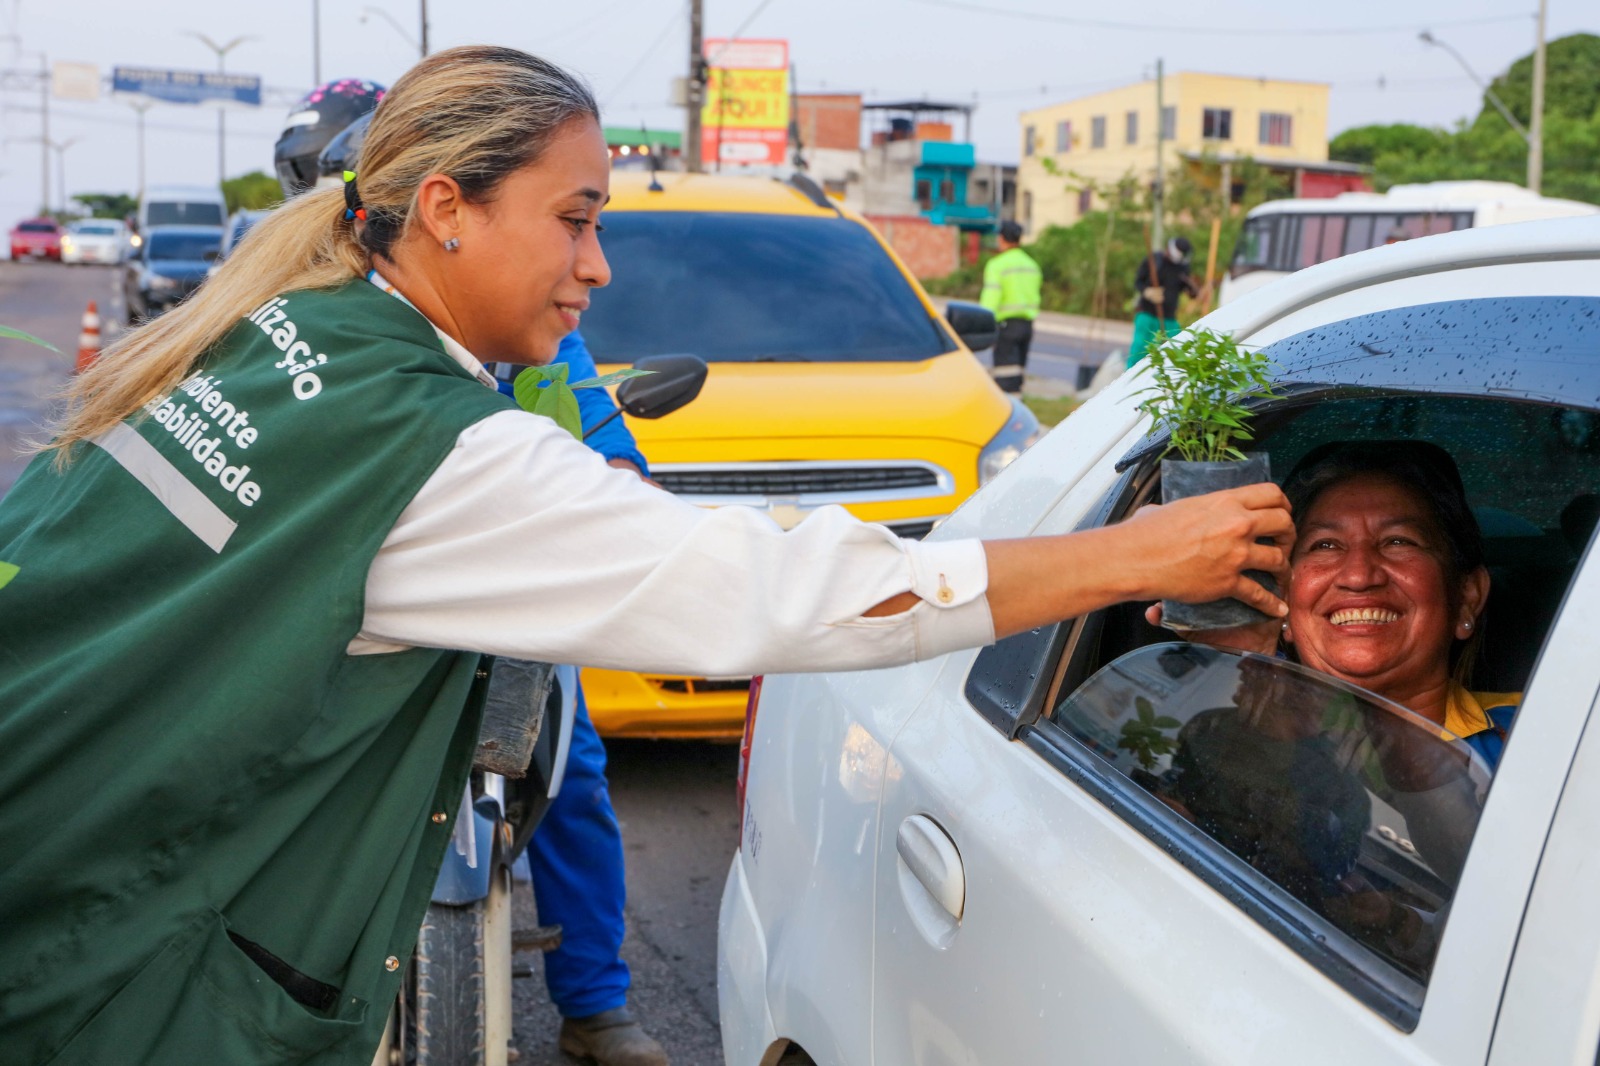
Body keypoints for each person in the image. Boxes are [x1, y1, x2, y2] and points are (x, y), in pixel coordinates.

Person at [0, 46, 1293, 1066]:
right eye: (572, 219)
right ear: (445, 207)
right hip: (111, 955)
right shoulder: (433, 448)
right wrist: (1130, 556)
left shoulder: (283, 333)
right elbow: (790, 593)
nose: (597, 264)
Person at [495, 335, 667, 1066]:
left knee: (571, 775)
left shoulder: (531, 332)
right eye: (572, 222)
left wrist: (626, 491)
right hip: (375, 608)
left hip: (517, 608)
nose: (589, 266)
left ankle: (594, 1005)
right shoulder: (351, 306)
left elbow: (603, 437)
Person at [1154, 440, 1517, 769]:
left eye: (1398, 541)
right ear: (1284, 601)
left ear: (1467, 597)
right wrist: (1227, 667)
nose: (1359, 576)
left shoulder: (1541, 736)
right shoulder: (1213, 735)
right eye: (1325, 545)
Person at [978, 220, 1042, 393]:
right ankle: (1019, 410)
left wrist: (982, 322)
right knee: (1018, 376)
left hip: (1006, 328)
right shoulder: (1032, 265)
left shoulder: (997, 265)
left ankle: (1009, 413)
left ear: (1001, 239)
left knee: (1005, 378)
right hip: (1027, 326)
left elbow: (991, 297)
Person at [1128, 236, 1201, 368]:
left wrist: (1193, 288)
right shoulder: (1154, 260)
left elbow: (1189, 291)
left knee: (1175, 351)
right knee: (1140, 350)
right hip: (1147, 315)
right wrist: (1147, 291)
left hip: (1169, 318)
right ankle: (1129, 379)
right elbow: (1138, 282)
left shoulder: (1182, 268)